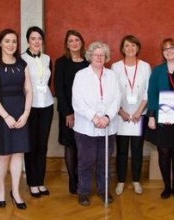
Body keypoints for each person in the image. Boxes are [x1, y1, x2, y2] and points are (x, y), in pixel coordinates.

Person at [72, 41, 121, 206]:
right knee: (86, 161)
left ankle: (103, 190)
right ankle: (84, 192)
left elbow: (117, 99)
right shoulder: (81, 75)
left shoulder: (112, 75)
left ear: (106, 57)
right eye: (96, 54)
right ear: (90, 56)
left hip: (108, 126)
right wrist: (94, 117)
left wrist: (107, 116)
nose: (99, 57)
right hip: (86, 127)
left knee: (104, 161)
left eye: (102, 55)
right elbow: (77, 101)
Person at [0, 29, 32, 209]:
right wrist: (6, 116)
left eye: (14, 42)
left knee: (18, 153)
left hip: (20, 113)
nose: (11, 45)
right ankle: (1, 189)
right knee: (3, 155)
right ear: (0, 43)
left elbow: (28, 90)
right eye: (7, 41)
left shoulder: (22, 64)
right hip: (2, 114)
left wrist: (25, 114)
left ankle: (15, 192)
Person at [111, 35, 151, 195]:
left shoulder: (145, 67)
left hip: (139, 115)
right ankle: (120, 181)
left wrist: (139, 112)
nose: (130, 48)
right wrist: (121, 112)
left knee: (137, 150)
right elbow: (112, 92)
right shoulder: (115, 67)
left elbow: (148, 92)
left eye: (133, 45)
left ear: (138, 48)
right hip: (121, 115)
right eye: (127, 46)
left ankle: (136, 181)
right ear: (122, 48)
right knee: (121, 151)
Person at [147, 38, 174, 200]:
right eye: (165, 49)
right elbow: (152, 94)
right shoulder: (157, 71)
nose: (169, 51)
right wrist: (151, 116)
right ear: (162, 53)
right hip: (163, 118)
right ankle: (167, 187)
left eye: (172, 48)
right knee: (164, 152)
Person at [54, 30, 89, 194]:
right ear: (67, 45)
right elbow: (59, 89)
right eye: (70, 41)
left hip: (86, 113)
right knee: (70, 145)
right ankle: (72, 181)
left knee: (83, 146)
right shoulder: (61, 62)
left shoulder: (88, 63)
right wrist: (68, 112)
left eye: (77, 40)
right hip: (68, 112)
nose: (74, 43)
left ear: (81, 42)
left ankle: (82, 179)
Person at [22, 26, 54, 197]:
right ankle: (32, 182)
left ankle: (40, 181)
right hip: (30, 107)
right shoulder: (21, 59)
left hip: (47, 106)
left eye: (39, 38)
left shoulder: (48, 58)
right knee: (31, 145)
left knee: (42, 145)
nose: (36, 41)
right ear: (28, 40)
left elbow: (48, 83)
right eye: (33, 38)